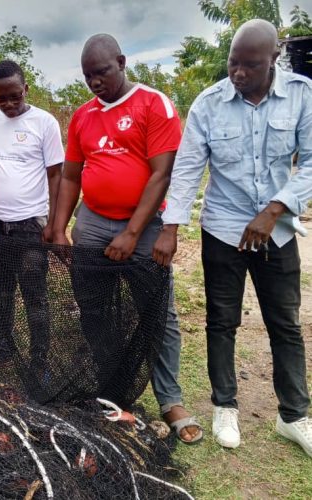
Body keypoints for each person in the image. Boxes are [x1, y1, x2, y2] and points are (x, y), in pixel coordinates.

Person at [153, 19, 311, 456]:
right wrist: (171, 228)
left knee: (285, 323)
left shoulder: (301, 95)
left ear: (274, 59)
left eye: (250, 65)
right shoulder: (209, 103)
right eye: (233, 63)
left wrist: (275, 209)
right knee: (222, 322)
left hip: (275, 233)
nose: (238, 73)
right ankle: (225, 405)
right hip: (223, 229)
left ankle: (293, 415)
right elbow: (187, 169)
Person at [51, 34, 203, 443]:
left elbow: (161, 173)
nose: (95, 82)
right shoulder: (82, 116)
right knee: (94, 307)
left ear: (121, 62)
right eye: (87, 76)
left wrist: (134, 233)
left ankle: (170, 400)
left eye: (101, 72)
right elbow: (69, 176)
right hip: (93, 223)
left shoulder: (154, 104)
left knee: (158, 313)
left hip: (146, 226)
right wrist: (59, 226)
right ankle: (115, 393)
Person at [0, 60, 64, 375]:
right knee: (0, 294)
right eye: (2, 98)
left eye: (15, 96)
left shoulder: (45, 123)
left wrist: (54, 223)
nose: (9, 104)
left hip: (30, 225)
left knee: (35, 296)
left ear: (25, 89)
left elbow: (56, 175)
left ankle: (39, 362)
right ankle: (3, 357)